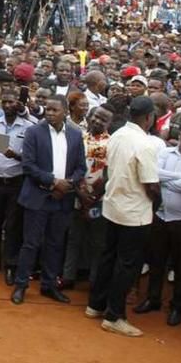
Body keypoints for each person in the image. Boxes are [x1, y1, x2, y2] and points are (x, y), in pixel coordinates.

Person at [88, 96, 161, 337]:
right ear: (149, 118)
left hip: (113, 206)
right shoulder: (146, 144)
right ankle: (114, 316)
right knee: (126, 264)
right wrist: (157, 202)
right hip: (134, 213)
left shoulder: (117, 134)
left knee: (108, 257)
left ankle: (95, 305)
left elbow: (108, 168)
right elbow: (151, 184)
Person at [11, 94, 86, 305]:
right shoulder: (34, 132)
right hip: (38, 196)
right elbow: (28, 165)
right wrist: (54, 182)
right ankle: (21, 285)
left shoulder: (75, 134)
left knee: (55, 244)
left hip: (63, 199)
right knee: (31, 243)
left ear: (65, 112)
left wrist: (68, 184)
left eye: (55, 110)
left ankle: (49, 285)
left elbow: (81, 166)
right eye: (48, 109)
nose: (50, 113)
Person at [136, 121, 181, 326]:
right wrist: (177, 176)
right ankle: (153, 298)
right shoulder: (166, 153)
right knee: (157, 260)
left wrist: (164, 181)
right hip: (161, 215)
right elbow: (152, 173)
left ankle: (178, 306)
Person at [0, 88, 34, 279]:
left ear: (18, 103)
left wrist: (15, 155)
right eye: (6, 102)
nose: (8, 105)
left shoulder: (28, 126)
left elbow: (31, 157)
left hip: (16, 181)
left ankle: (11, 264)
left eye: (12, 102)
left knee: (13, 225)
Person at [62, 105, 113, 289]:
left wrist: (92, 198)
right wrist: (80, 192)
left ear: (110, 123)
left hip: (98, 201)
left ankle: (94, 281)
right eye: (95, 116)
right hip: (76, 195)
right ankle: (68, 276)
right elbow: (70, 166)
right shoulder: (77, 138)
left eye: (103, 119)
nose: (97, 121)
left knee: (97, 242)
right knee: (73, 237)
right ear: (90, 116)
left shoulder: (112, 143)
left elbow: (109, 173)